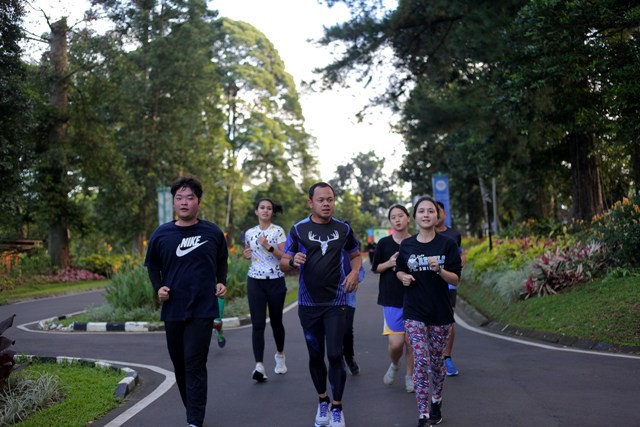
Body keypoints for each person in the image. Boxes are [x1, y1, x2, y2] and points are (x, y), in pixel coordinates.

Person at [144, 176, 228, 427]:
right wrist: (159, 288)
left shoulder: (212, 231)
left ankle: (194, 421)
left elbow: (222, 260)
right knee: (179, 364)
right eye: (179, 198)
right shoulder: (162, 234)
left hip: (203, 308)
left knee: (194, 363)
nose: (184, 202)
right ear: (174, 202)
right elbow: (153, 266)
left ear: (198, 202)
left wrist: (221, 281)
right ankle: (192, 408)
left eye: (189, 198)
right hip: (174, 309)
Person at [280, 182, 362, 427]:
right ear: (311, 203)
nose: (326, 203)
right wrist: (293, 260)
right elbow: (283, 261)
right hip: (308, 303)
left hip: (336, 301)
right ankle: (323, 401)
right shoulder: (298, 229)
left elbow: (355, 255)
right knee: (315, 355)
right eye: (321, 200)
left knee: (335, 354)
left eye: (330, 199)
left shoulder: (343, 229)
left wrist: (355, 273)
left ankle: (337, 407)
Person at [395, 196, 462, 427]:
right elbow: (400, 271)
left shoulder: (447, 244)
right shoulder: (407, 245)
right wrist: (402, 276)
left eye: (430, 211)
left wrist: (440, 270)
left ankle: (436, 400)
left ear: (438, 216)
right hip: (414, 311)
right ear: (415, 217)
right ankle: (423, 415)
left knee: (436, 362)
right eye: (421, 211)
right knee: (421, 361)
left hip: (440, 312)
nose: (426, 214)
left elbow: (456, 279)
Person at [243, 197, 288, 382]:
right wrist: (246, 254)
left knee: (276, 322)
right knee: (258, 324)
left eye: (269, 208)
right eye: (262, 207)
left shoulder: (278, 231)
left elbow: (285, 257)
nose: (265, 211)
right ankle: (259, 366)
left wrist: (268, 246)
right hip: (255, 281)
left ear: (272, 212)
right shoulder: (249, 233)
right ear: (256, 211)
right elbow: (248, 252)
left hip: (275, 281)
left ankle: (280, 356)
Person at [371, 204, 415, 393]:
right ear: (390, 222)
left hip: (415, 297)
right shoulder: (384, 244)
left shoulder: (416, 242)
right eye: (393, 217)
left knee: (411, 342)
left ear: (408, 218)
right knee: (396, 343)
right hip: (391, 298)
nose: (397, 219)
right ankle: (394, 363)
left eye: (400, 216)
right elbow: (376, 268)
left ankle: (409, 376)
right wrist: (389, 263)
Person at [435, 201, 465, 377]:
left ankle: (447, 357)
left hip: (448, 283)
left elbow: (460, 255)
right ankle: (433, 358)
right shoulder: (423, 235)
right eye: (430, 211)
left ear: (444, 214)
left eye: (437, 211)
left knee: (448, 320)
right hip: (429, 284)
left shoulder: (454, 234)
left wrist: (456, 272)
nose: (434, 215)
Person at [342, 245, 365, 376]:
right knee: (332, 330)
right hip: (327, 294)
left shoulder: (345, 235)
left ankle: (349, 357)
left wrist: (355, 278)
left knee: (346, 329)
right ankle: (337, 359)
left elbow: (358, 263)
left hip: (347, 294)